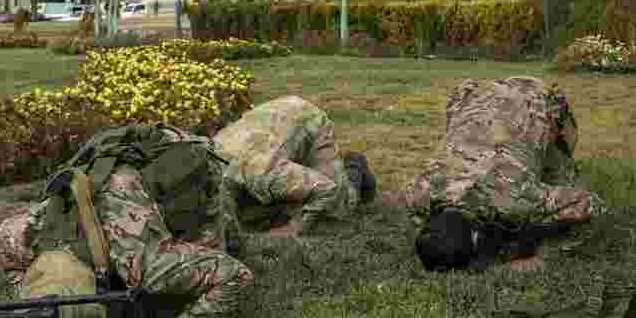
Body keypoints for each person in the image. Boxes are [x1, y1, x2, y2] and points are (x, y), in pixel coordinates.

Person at [0, 124, 253, 318]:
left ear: (100, 288)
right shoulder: (18, 236)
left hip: (186, 157)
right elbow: (10, 258)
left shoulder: (140, 264)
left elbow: (235, 275)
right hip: (120, 170)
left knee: (220, 247)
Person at [405, 76, 607, 272]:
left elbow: (591, 204)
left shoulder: (516, 198)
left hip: (538, 99)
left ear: (478, 237)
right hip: (476, 95)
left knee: (559, 183)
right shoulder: (418, 193)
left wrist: (542, 254)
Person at [213, 95, 376, 239]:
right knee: (256, 205)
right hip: (264, 125)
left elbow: (327, 190)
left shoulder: (263, 174)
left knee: (340, 206)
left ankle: (355, 164)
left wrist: (293, 229)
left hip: (305, 116)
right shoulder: (208, 158)